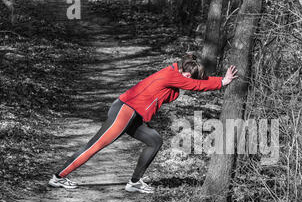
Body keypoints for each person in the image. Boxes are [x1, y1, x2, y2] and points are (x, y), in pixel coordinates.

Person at [48, 54, 238, 194]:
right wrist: (222, 81)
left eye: (189, 78)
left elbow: (196, 82)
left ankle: (135, 182)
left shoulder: (176, 76)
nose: (187, 81)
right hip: (125, 111)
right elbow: (196, 86)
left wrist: (217, 79)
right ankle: (58, 177)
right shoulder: (170, 75)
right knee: (96, 145)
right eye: (187, 76)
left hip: (134, 116)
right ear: (182, 71)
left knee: (154, 140)